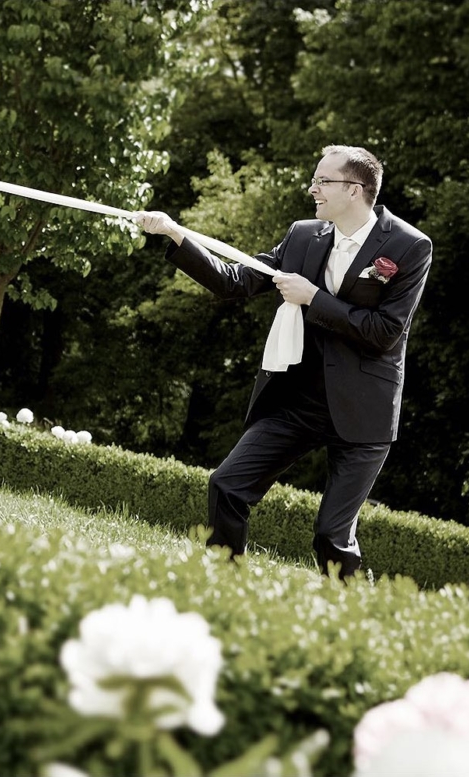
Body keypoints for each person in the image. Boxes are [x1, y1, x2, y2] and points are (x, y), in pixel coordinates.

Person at [132, 145, 431, 579]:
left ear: (354, 189)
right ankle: (222, 582)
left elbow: (385, 332)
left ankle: (352, 616)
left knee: (331, 534)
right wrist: (176, 234)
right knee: (227, 485)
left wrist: (314, 299)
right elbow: (233, 282)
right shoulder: (302, 235)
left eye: (322, 181)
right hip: (297, 399)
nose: (312, 189)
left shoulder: (410, 246)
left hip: (364, 409)